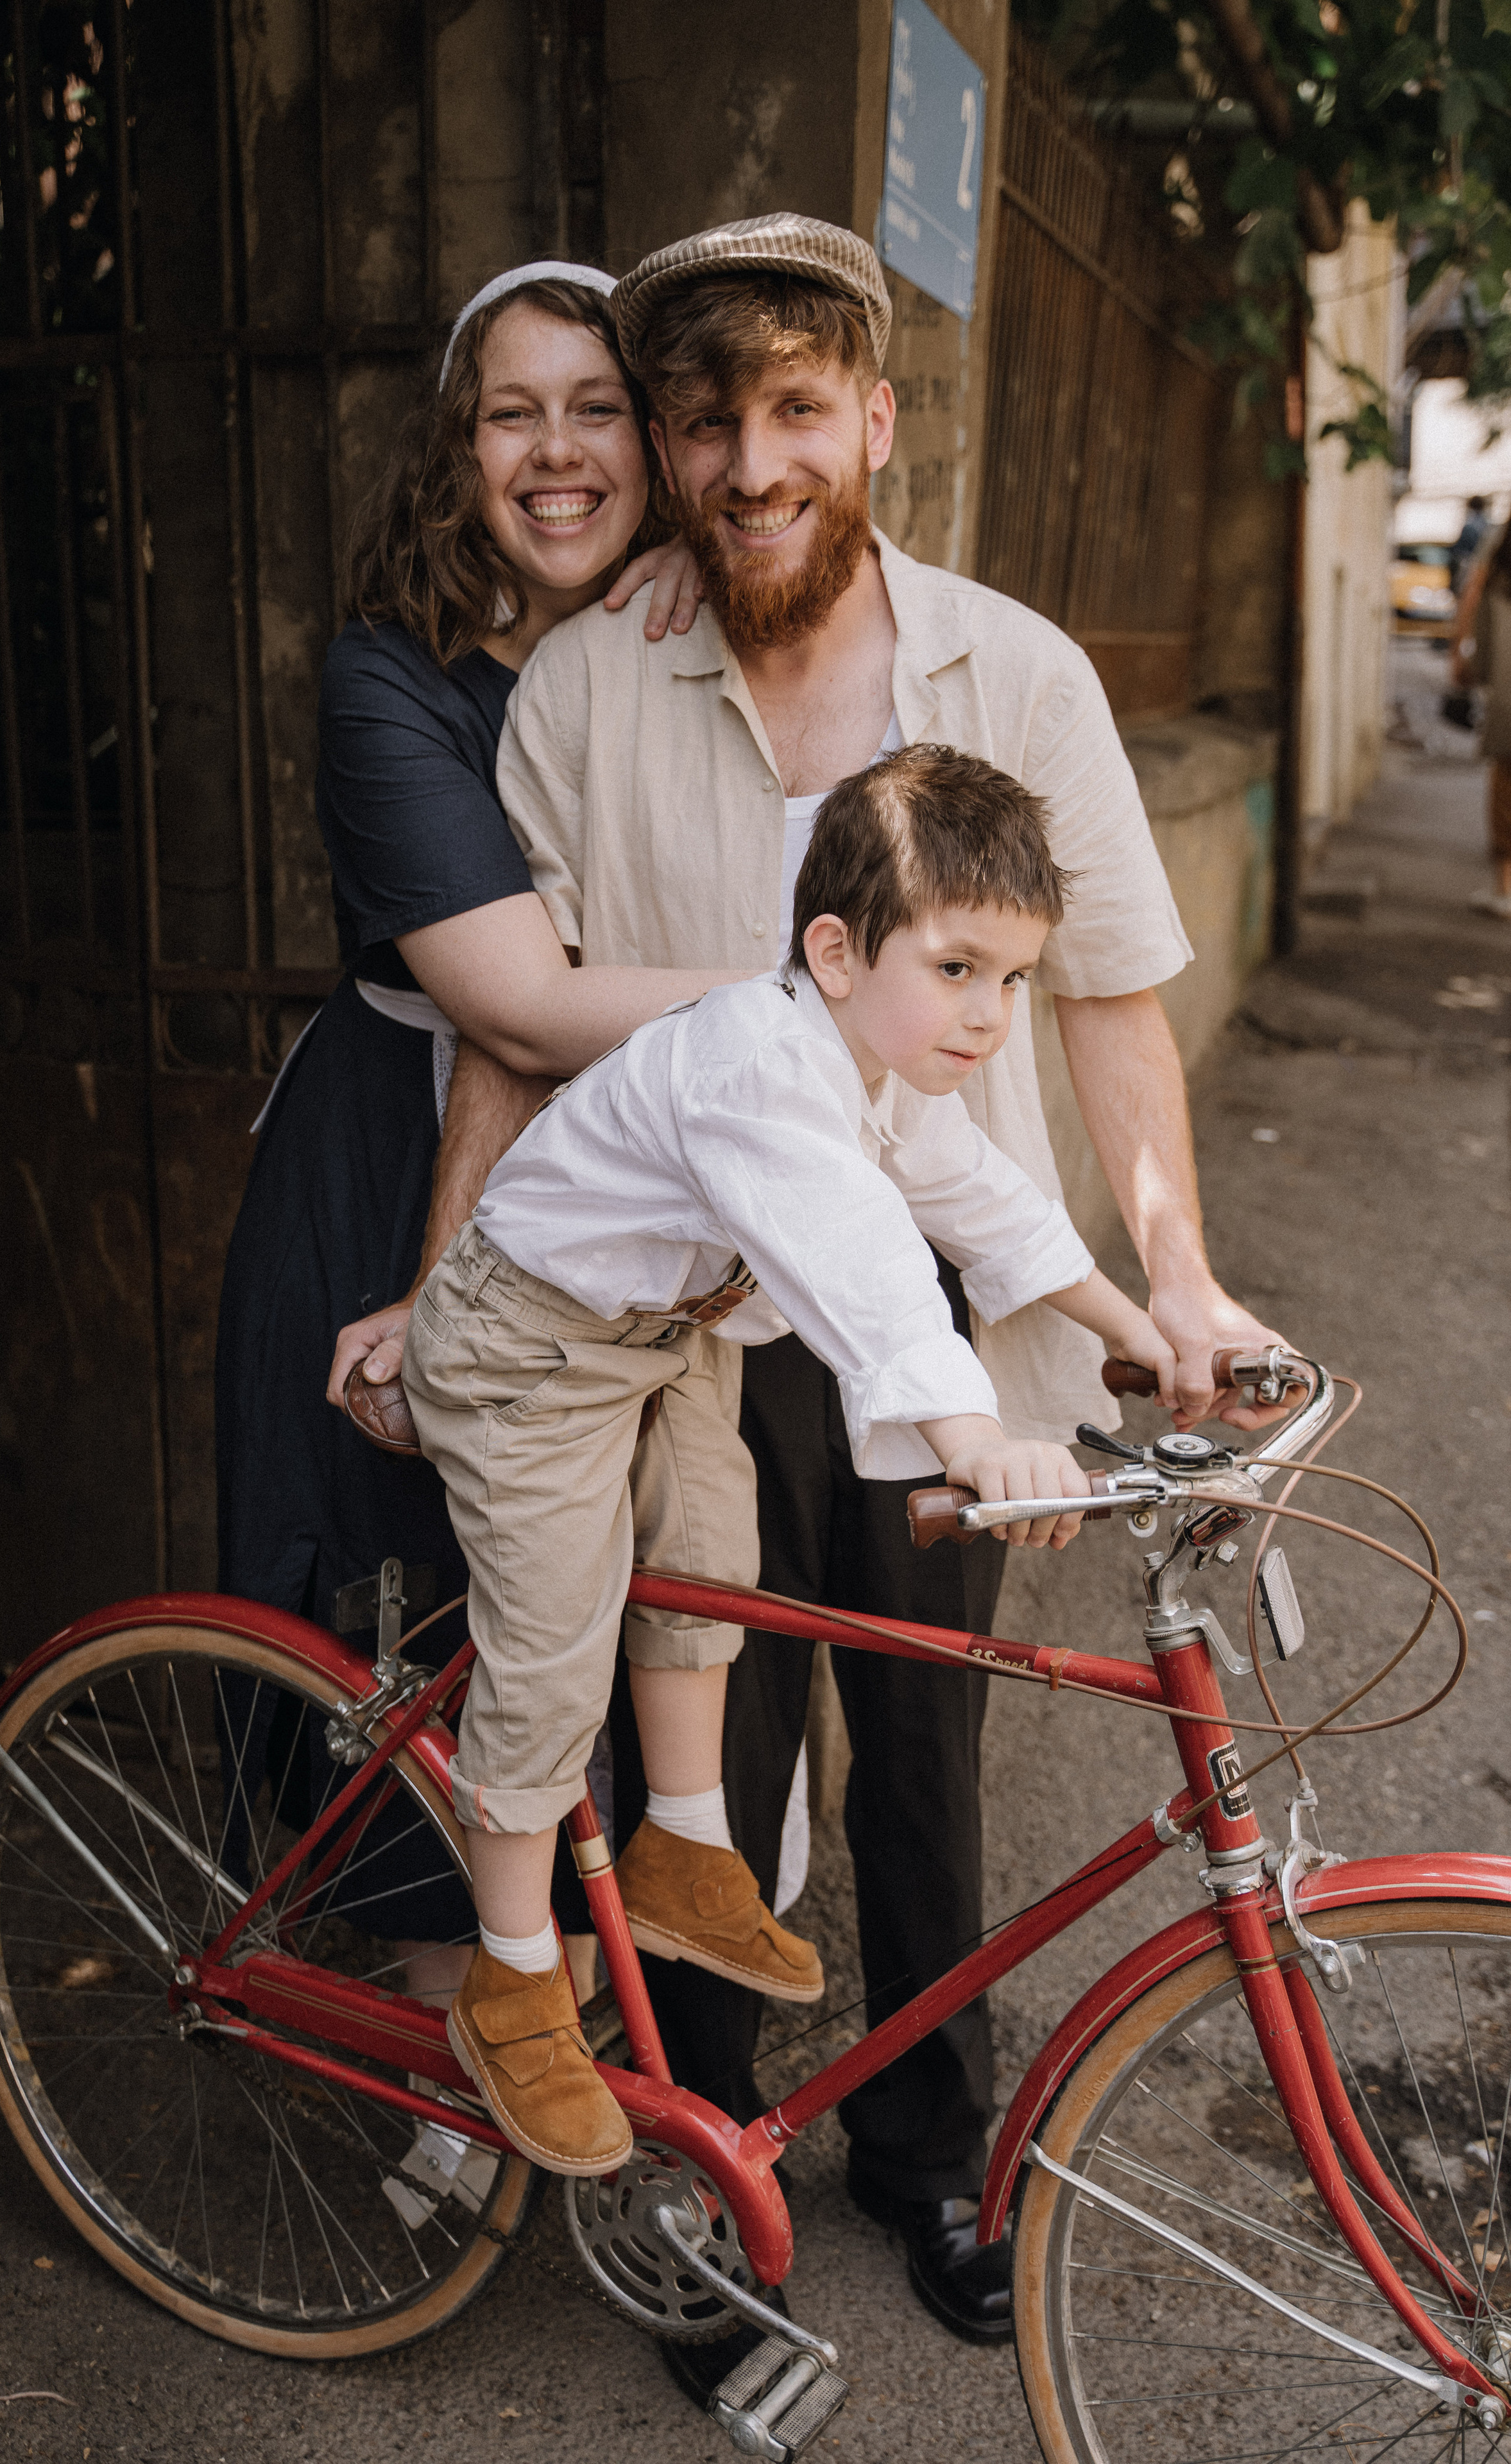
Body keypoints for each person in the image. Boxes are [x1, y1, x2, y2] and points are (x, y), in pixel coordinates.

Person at [334, 211, 1285, 2363]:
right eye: (706, 420)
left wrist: (1176, 1288)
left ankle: (929, 2160)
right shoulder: (588, 678)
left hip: (945, 1324)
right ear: (672, 452)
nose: (750, 461)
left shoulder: (1017, 675)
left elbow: (1110, 1003)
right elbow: (511, 1023)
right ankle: (688, 2170)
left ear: (870, 420)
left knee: (927, 1758)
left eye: (791, 411)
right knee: (697, 1756)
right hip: (688, 1320)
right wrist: (432, 1289)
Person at [402, 745, 1177, 2176]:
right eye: (956, 969)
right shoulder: (761, 1068)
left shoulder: (862, 1061)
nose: (990, 1015)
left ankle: (683, 1851)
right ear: (831, 949)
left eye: (1012, 979)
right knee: (558, 1642)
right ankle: (510, 1984)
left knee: (711, 1544)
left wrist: (1136, 1331)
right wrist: (974, 1436)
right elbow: (865, 1259)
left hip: (658, 1331)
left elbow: (973, 1194)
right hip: (527, 1347)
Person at [214, 260, 733, 1992]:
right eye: (515, 412)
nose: (559, 451)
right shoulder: (392, 679)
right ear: (460, 446)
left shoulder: (685, 644)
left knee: (611, 1576)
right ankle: (444, 2019)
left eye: (599, 409)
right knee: (415, 1591)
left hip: (631, 1169)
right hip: (393, 1147)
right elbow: (512, 1004)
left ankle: (576, 1982)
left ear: (657, 446)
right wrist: (798, 1000)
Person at [1451, 520, 1511, 920]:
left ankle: (1506, 889)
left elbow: (1475, 601)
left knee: (1506, 791)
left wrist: (1464, 657)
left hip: (1509, 697)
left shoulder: (1499, 568)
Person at [1451, 495, 1490, 599]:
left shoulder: (1470, 525)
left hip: (1469, 564)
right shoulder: (1487, 524)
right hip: (1484, 566)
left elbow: (1460, 550)